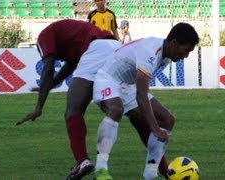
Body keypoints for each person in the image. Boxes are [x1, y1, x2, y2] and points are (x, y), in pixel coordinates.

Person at [15, 19, 121, 180]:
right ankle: (159, 168)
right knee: (133, 110)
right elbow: (70, 66)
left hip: (97, 49)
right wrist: (49, 86)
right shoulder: (69, 38)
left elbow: (48, 67)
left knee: (73, 110)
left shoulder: (43, 37)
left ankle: (82, 160)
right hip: (117, 48)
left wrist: (39, 107)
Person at [92, 22, 199, 180]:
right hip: (108, 78)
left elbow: (139, 91)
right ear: (174, 43)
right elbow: (141, 96)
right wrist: (155, 129)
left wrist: (156, 125)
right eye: (186, 50)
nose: (186, 56)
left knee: (167, 119)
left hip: (128, 86)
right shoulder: (151, 52)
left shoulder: (166, 54)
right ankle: (100, 169)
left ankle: (150, 174)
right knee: (116, 109)